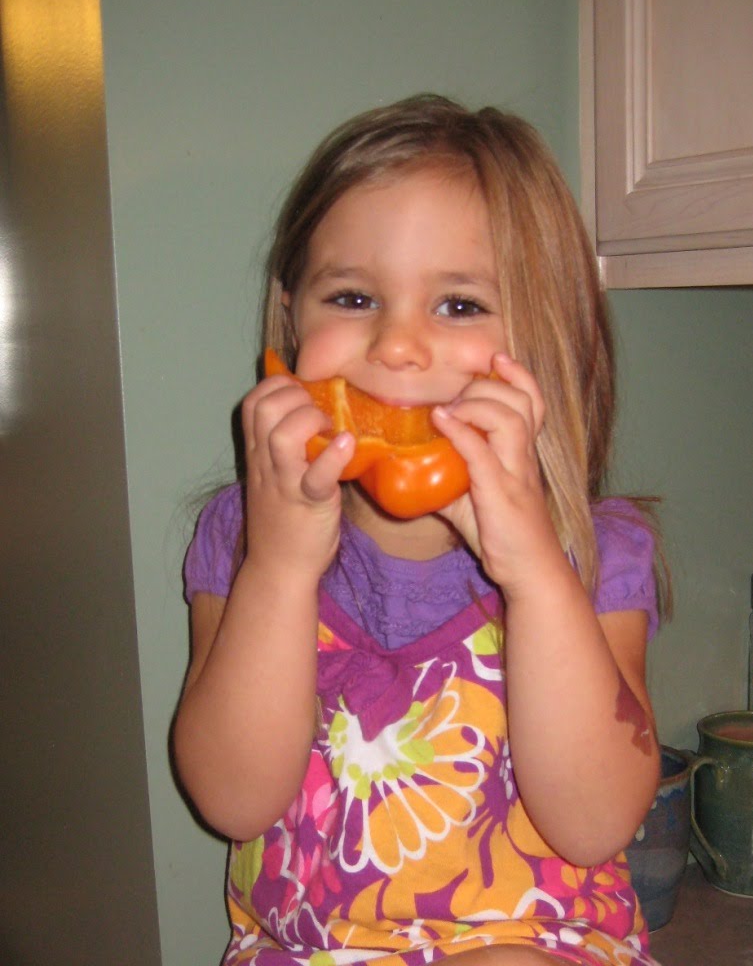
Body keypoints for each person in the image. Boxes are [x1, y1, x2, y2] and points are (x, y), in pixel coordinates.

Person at [174, 95, 666, 966]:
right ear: (293, 321)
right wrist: (281, 568)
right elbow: (233, 799)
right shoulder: (244, 535)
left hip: (535, 946)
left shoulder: (597, 552)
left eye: (461, 305)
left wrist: (534, 572)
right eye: (355, 296)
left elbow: (594, 823)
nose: (399, 347)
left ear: (545, 336)